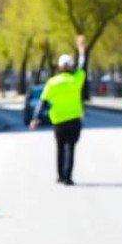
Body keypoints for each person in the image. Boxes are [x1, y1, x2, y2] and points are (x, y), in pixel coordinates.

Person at [30, 35, 88, 185]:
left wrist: (35, 118)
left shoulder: (52, 82)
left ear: (59, 67)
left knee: (60, 147)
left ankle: (60, 175)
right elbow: (82, 66)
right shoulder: (76, 79)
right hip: (74, 119)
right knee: (71, 147)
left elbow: (42, 101)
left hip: (58, 120)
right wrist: (82, 49)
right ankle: (68, 177)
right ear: (70, 66)